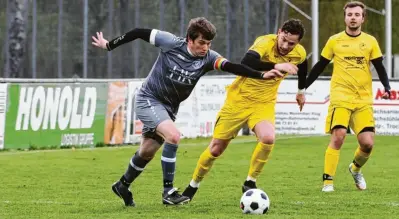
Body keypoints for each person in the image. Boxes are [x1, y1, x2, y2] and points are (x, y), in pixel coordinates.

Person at [91, 17, 284, 206]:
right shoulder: (170, 43)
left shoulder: (209, 58)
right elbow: (138, 32)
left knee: (146, 151)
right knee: (173, 136)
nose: (205, 47)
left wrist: (261, 75)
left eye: (208, 43)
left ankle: (123, 185)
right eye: (201, 42)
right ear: (190, 39)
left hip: (168, 108)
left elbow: (231, 66)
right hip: (148, 99)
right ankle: (169, 192)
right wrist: (109, 45)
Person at [181, 19, 307, 201]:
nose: (286, 46)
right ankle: (193, 185)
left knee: (268, 138)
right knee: (216, 149)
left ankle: (250, 181)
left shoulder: (299, 52)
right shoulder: (265, 42)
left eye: (292, 43)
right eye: (284, 40)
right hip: (238, 101)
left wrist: (301, 91)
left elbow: (302, 65)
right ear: (279, 32)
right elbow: (247, 61)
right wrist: (275, 65)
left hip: (264, 103)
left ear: (298, 43)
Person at [303, 1, 391, 192]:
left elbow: (379, 67)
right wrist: (303, 88)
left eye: (357, 14)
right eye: (350, 14)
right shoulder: (335, 40)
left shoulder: (370, 41)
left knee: (367, 144)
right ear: (345, 17)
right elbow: (319, 66)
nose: (353, 18)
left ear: (363, 18)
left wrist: (387, 87)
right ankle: (328, 182)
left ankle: (355, 169)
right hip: (340, 97)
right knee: (339, 136)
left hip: (363, 100)